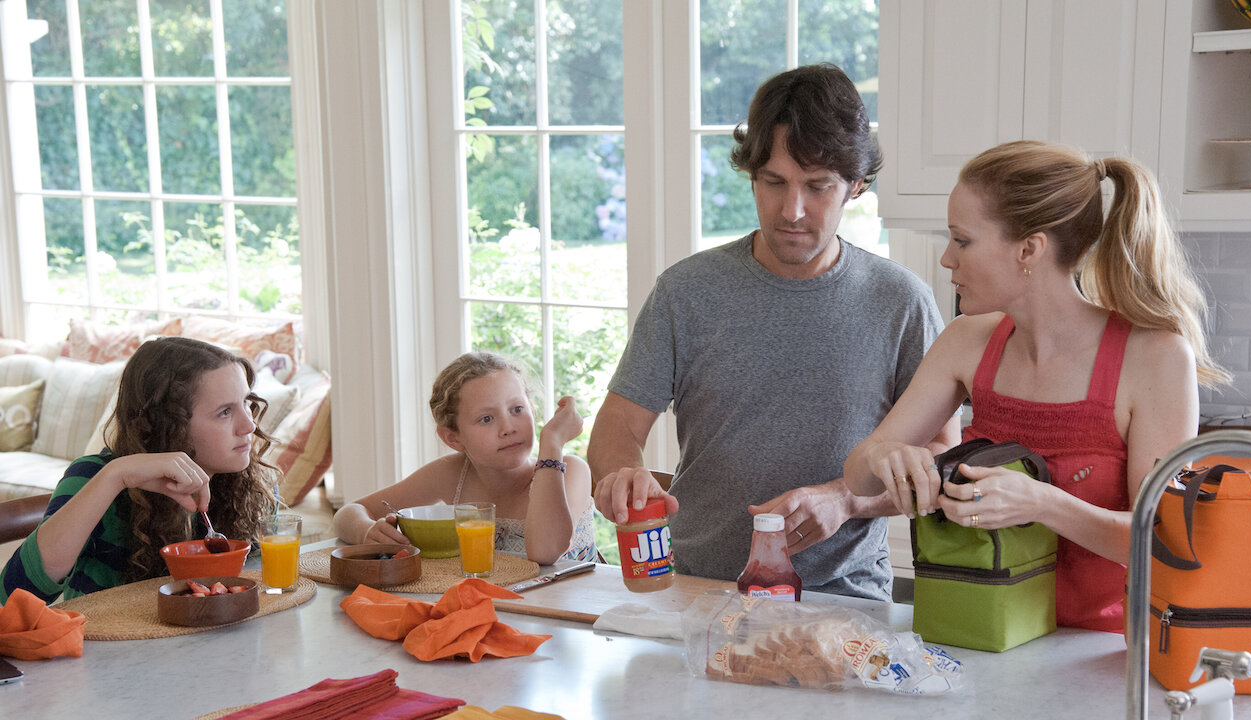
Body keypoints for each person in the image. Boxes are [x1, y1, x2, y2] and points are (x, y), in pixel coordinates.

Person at [589, 63, 959, 600]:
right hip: (698, 590)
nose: (793, 210)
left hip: (844, 596)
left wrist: (846, 499)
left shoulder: (900, 301)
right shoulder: (686, 291)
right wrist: (624, 473)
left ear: (856, 186)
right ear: (751, 175)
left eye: (818, 186)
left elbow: (939, 460)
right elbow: (619, 423)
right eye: (774, 182)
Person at [842, 140, 1229, 632]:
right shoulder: (966, 343)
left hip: (1099, 656)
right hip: (977, 636)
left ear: (1029, 249)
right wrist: (883, 456)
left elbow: (1166, 541)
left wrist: (1041, 503)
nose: (945, 259)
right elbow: (858, 476)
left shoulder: (1155, 358)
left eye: (962, 240)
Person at [1, 337, 277, 604]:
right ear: (168, 424)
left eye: (246, 402)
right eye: (224, 412)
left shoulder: (252, 483)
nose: (249, 425)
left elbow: (269, 587)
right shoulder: (94, 476)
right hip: (110, 648)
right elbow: (13, 595)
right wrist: (116, 476)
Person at [332, 352, 595, 565]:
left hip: (572, 620)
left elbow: (544, 552)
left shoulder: (570, 471)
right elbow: (348, 512)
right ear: (453, 438)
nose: (508, 427)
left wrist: (553, 442)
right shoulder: (452, 474)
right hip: (495, 613)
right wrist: (366, 531)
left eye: (517, 410)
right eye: (486, 418)